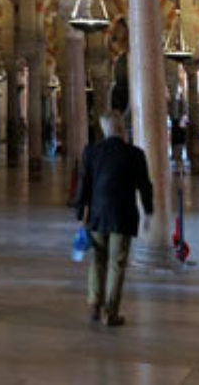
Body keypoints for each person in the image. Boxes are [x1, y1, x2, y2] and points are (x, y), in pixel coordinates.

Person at [73, 111, 154, 327]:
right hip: (123, 215)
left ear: (104, 129)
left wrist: (81, 213)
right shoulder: (135, 154)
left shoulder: (92, 152)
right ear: (121, 128)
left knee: (98, 259)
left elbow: (84, 185)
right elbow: (145, 186)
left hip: (98, 215)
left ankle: (94, 304)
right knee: (117, 263)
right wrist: (149, 211)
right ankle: (111, 312)